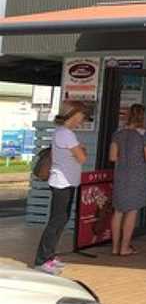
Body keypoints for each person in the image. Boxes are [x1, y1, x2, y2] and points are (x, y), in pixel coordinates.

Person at [34, 103, 89, 274]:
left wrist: (79, 152)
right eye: (81, 116)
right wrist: (80, 151)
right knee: (56, 221)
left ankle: (49, 256)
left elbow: (78, 155)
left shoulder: (64, 133)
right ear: (74, 115)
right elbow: (81, 158)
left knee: (61, 219)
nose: (82, 120)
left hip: (67, 181)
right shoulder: (66, 133)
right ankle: (42, 260)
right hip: (61, 182)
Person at [110, 104, 146, 256]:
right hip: (137, 176)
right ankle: (125, 247)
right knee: (132, 211)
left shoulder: (118, 133)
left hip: (120, 174)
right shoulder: (144, 134)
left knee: (118, 211)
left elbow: (112, 156)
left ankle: (115, 247)